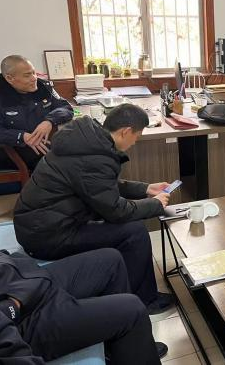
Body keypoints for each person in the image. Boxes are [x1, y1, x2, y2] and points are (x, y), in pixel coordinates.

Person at [14, 103, 174, 314]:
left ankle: (124, 286)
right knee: (134, 232)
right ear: (125, 131)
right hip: (46, 237)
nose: (135, 142)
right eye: (136, 136)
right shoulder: (94, 158)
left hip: (39, 225)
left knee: (127, 229)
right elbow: (116, 210)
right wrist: (155, 204)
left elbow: (98, 187)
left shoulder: (86, 140)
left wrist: (146, 189)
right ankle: (143, 300)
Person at [0, 225, 166, 364]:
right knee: (132, 309)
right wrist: (14, 305)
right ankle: (130, 339)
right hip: (19, 316)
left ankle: (124, 350)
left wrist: (17, 267)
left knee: (110, 260)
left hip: (21, 282)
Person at [0, 55, 73, 171]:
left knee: (78, 150)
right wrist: (22, 136)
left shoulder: (43, 87)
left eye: (34, 73)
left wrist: (49, 121)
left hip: (41, 144)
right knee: (61, 163)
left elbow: (66, 108)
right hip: (10, 149)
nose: (34, 78)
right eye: (27, 75)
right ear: (10, 78)